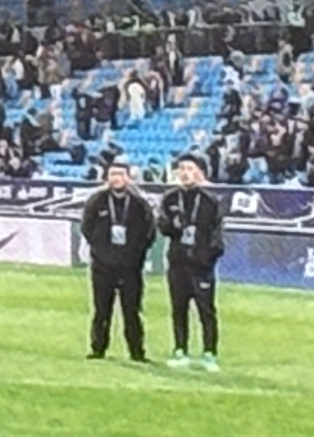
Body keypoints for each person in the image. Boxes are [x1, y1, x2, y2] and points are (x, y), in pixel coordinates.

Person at [78, 163, 158, 363]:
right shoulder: (97, 201)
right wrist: (100, 250)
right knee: (101, 310)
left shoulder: (139, 204)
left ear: (128, 177)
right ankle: (98, 349)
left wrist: (136, 254)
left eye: (120, 174)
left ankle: (137, 351)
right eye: (112, 174)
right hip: (102, 266)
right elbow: (87, 227)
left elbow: (149, 231)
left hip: (130, 268)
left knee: (132, 311)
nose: (116, 178)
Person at [157, 153, 226, 370]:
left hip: (201, 265)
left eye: (189, 169)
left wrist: (208, 256)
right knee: (179, 308)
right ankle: (180, 350)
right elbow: (162, 226)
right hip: (178, 263)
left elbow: (216, 232)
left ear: (199, 172)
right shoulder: (170, 198)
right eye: (182, 169)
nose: (185, 173)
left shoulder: (209, 200)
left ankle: (209, 353)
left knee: (206, 310)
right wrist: (173, 226)